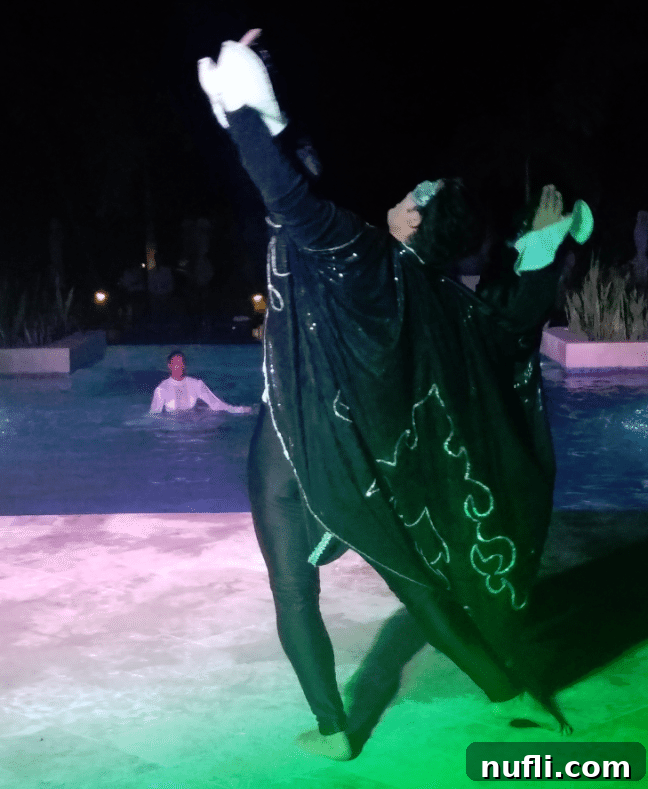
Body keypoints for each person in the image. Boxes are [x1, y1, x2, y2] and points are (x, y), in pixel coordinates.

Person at [197, 32, 593, 760]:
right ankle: (507, 693)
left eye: (417, 194)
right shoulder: (430, 295)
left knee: (293, 588)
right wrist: (540, 253)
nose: (407, 192)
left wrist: (242, 109)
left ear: (414, 221)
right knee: (412, 579)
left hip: (292, 444)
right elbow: (504, 332)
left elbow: (284, 189)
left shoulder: (352, 252)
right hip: (364, 462)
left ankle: (333, 728)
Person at [149, 351, 252, 414]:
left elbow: (216, 404)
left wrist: (240, 410)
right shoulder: (161, 389)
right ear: (169, 366)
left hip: (195, 426)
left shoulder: (196, 384)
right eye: (176, 364)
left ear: (184, 365)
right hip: (173, 429)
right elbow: (154, 414)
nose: (179, 367)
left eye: (181, 363)